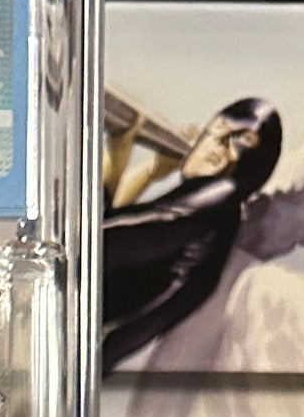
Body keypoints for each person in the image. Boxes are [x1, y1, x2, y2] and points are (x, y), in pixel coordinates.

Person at [103, 97, 283, 372]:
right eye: (216, 129)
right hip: (82, 337)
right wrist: (149, 171)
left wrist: (118, 157)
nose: (216, 145)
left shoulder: (217, 199)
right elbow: (119, 229)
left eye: (241, 141)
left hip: (72, 334)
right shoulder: (215, 206)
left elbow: (98, 243)